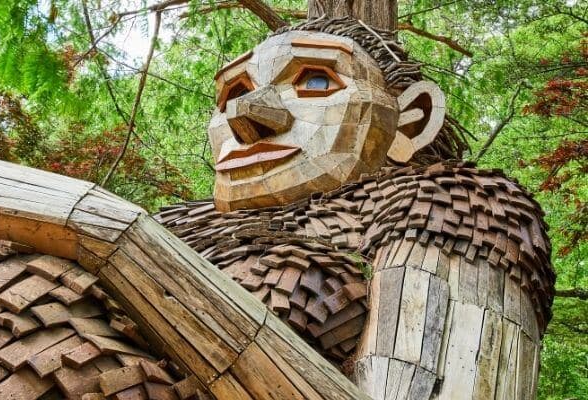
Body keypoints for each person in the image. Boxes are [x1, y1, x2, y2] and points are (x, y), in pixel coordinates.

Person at [156, 17, 554, 399]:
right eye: (234, 93)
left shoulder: (449, 202)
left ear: (411, 122)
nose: (245, 115)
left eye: (314, 80)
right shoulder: (168, 223)